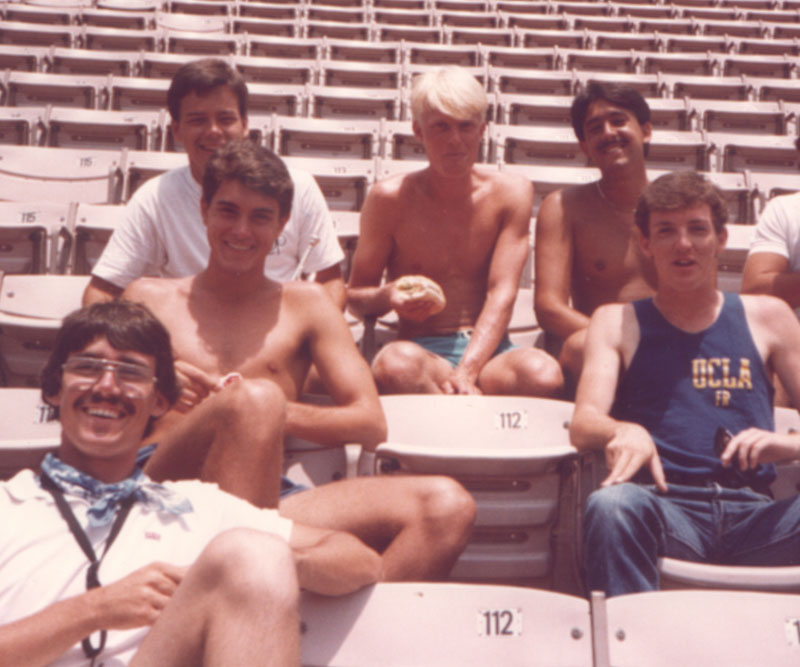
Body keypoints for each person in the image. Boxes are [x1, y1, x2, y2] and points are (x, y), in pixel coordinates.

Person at [122, 139, 476, 582]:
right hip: (160, 485)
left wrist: (268, 412)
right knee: (250, 403)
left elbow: (369, 422)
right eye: (228, 211)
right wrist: (158, 385)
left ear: (283, 224)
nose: (242, 230)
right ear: (204, 210)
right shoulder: (147, 298)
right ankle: (248, 587)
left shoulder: (307, 305)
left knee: (447, 507)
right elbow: (90, 399)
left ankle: (325, 634)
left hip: (266, 492)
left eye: (261, 217)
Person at [0, 300, 383, 666]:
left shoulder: (193, 506)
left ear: (160, 402)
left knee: (255, 554)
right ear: (53, 388)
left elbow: (358, 560)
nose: (107, 386)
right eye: (87, 367)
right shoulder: (8, 505)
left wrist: (274, 566)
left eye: (131, 372)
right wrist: (96, 609)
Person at [571, 171, 800, 597]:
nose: (683, 244)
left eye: (697, 229)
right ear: (645, 242)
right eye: (666, 231)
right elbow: (583, 423)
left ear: (721, 238)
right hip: (666, 507)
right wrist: (623, 428)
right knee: (612, 504)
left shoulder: (769, 316)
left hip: (756, 515)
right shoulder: (617, 320)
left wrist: (788, 444)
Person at [347, 66, 563, 397]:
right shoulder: (388, 198)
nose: (455, 140)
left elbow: (502, 292)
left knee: (544, 373)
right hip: (421, 352)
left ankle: (455, 407)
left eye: (466, 126)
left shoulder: (511, 193)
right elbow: (356, 297)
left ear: (482, 130)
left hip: (490, 352)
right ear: (419, 131)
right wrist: (388, 295)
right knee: (396, 365)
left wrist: (468, 372)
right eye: (441, 127)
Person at [82, 57, 346, 309]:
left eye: (226, 119)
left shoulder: (299, 186)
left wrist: (311, 338)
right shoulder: (154, 198)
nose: (213, 131)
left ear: (244, 124)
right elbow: (103, 290)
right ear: (176, 129)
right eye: (198, 120)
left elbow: (330, 280)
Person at [534, 82, 657, 383]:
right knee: (578, 347)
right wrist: (619, 338)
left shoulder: (679, 205)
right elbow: (549, 308)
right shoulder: (564, 207)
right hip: (599, 345)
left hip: (670, 342)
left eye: (618, 121)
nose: (608, 133)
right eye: (595, 128)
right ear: (584, 146)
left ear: (646, 130)